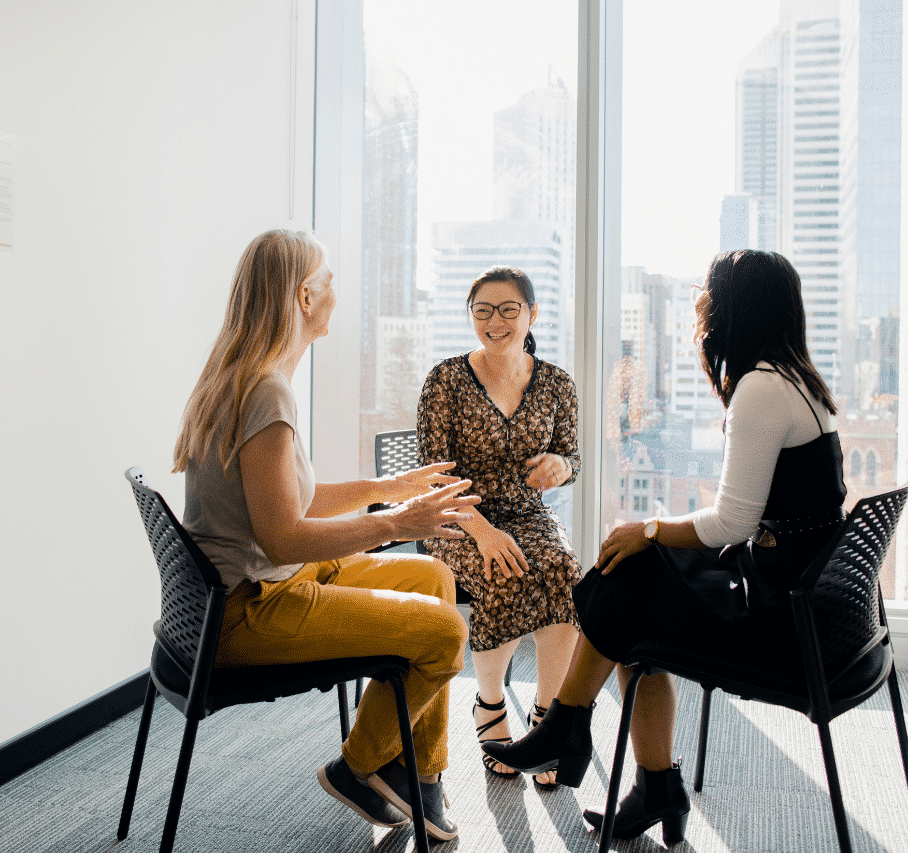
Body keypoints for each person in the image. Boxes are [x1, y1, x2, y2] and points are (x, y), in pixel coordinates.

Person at [484, 250, 848, 846]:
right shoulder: (799, 381)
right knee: (632, 586)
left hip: (780, 620)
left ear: (735, 305)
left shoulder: (761, 388)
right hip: (799, 591)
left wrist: (649, 528)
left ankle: (571, 730)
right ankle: (623, 765)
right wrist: (650, 537)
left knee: (628, 579)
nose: (699, 302)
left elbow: (731, 522)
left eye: (707, 290)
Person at [173, 229, 479, 842]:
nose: (337, 291)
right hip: (251, 610)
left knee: (434, 577)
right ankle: (359, 767)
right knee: (447, 630)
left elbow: (291, 499)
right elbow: (286, 538)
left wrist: (388, 488)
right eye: (328, 280)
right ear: (303, 298)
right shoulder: (266, 393)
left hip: (256, 588)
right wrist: (398, 524)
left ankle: (420, 772)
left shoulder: (245, 377)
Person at [417, 266, 582, 790]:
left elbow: (570, 455)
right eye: (482, 310)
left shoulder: (556, 382)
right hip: (457, 517)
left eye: (508, 309)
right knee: (504, 570)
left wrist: (561, 466)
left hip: (527, 512)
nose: (495, 321)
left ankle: (547, 718)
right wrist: (484, 532)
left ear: (532, 314)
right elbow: (434, 481)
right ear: (470, 317)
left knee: (563, 571)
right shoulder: (445, 380)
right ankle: (489, 706)